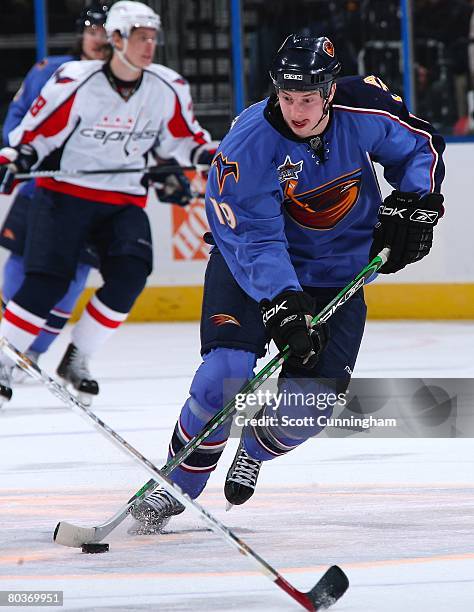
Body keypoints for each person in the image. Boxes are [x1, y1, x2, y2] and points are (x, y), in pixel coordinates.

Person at [130, 34, 446, 532]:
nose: (296, 111)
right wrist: (282, 301)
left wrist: (415, 203)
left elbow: (418, 146)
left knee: (310, 406)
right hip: (251, 271)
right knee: (222, 376)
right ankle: (177, 486)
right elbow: (253, 237)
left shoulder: (365, 108)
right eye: (286, 97)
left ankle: (253, 449)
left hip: (337, 273)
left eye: (307, 99)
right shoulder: (248, 144)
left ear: (329, 92)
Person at [0, 0, 216, 405]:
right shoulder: (74, 80)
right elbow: (36, 133)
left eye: (153, 37)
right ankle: (4, 360)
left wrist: (204, 156)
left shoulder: (167, 86)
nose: (149, 46)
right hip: (64, 196)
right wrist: (22, 155)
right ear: (116, 39)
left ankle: (77, 357)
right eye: (139, 37)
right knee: (47, 282)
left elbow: (185, 139)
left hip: (122, 200)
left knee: (131, 274)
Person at [0, 2, 109, 374]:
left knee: (75, 275)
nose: (99, 39)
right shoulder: (49, 71)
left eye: (107, 33)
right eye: (93, 30)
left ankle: (33, 353)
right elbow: (17, 121)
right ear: (82, 32)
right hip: (39, 189)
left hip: (91, 195)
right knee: (20, 265)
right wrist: (20, 151)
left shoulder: (127, 83)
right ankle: (9, 345)